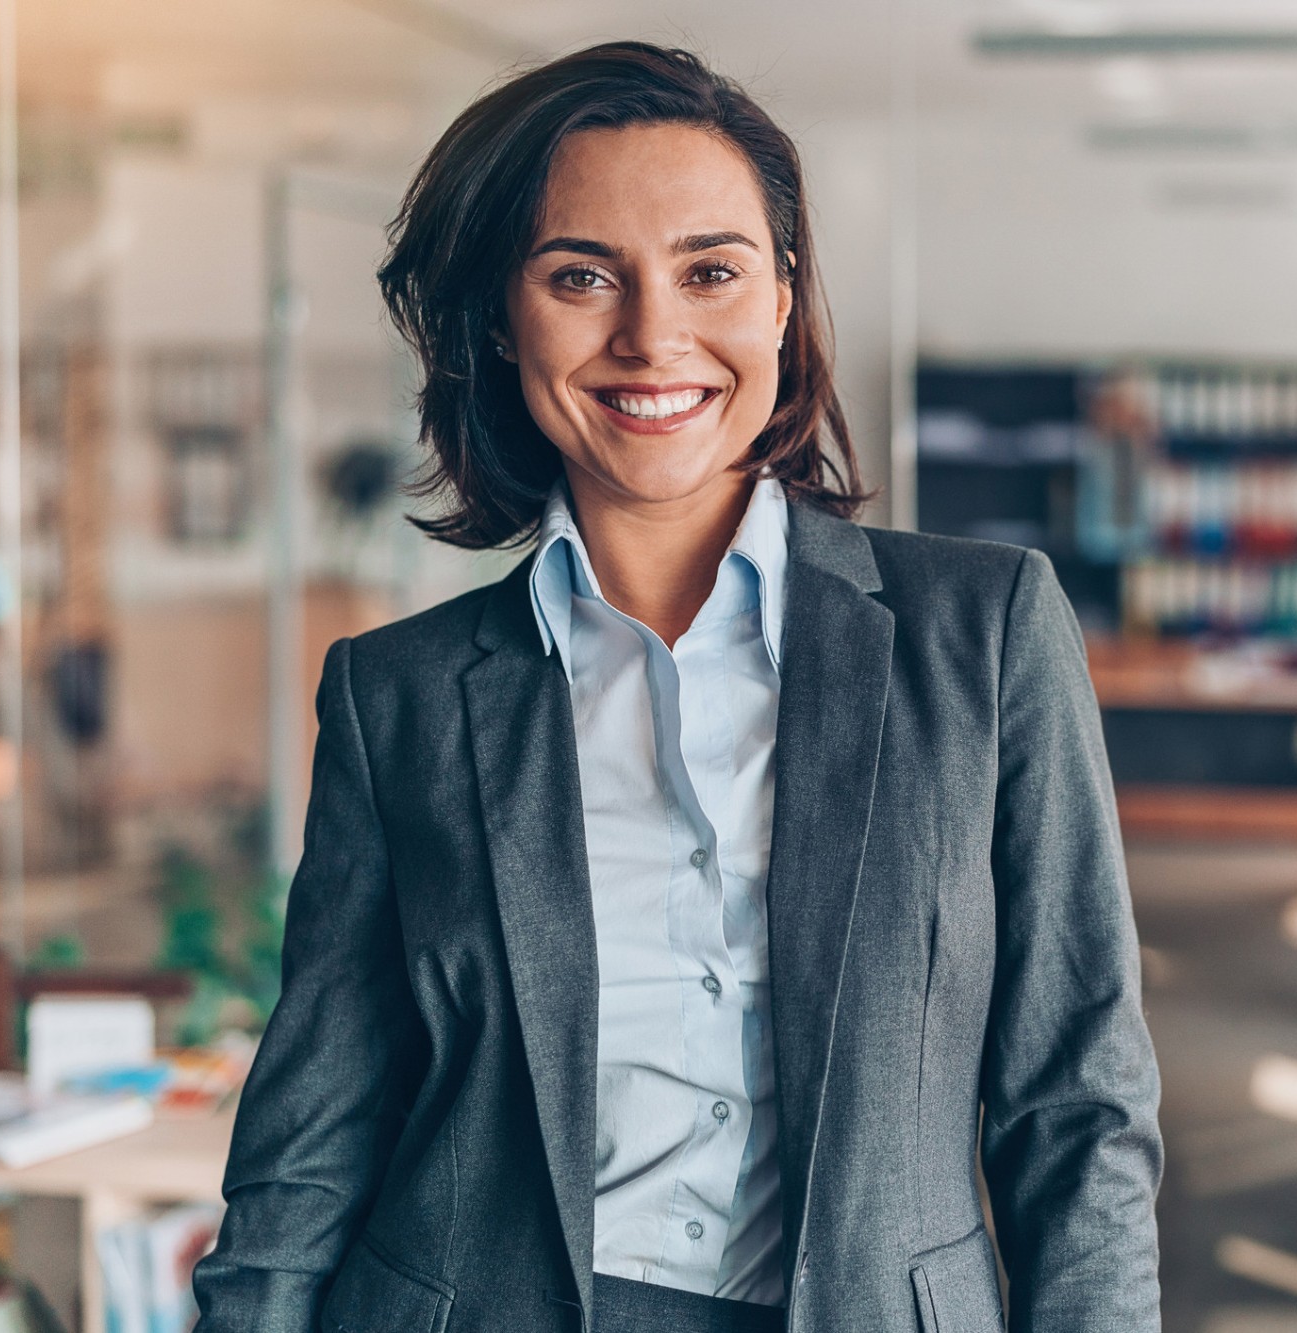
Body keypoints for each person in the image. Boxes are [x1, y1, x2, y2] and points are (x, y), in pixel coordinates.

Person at [192, 40, 1160, 1333]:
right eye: (582, 274)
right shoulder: (399, 695)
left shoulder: (981, 636)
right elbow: (312, 1132)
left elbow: (1081, 1107)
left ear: (780, 299)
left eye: (710, 270)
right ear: (503, 316)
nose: (654, 336)